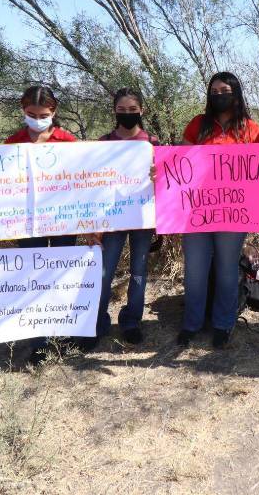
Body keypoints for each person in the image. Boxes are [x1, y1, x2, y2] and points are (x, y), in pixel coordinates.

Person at [178, 71, 259, 349]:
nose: (219, 96)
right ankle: (191, 324)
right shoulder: (198, 124)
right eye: (214, 92)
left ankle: (223, 323)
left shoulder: (251, 129)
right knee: (195, 270)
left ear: (236, 94)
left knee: (227, 269)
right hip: (196, 211)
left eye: (224, 91)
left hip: (233, 212)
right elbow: (181, 162)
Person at [4, 85, 84, 362]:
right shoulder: (12, 143)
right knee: (35, 279)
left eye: (43, 114)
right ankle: (39, 341)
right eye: (31, 114)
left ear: (54, 112)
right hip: (27, 225)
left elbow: (82, 184)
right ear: (22, 111)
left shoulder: (68, 142)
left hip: (63, 223)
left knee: (62, 279)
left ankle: (63, 336)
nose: (37, 119)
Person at [96, 88, 160, 346]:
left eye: (132, 110)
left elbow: (168, 182)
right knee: (103, 271)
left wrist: (159, 176)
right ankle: (97, 321)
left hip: (143, 218)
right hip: (111, 219)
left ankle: (132, 320)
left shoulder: (153, 144)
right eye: (122, 110)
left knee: (139, 271)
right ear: (114, 111)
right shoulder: (103, 143)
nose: (127, 114)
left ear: (141, 110)